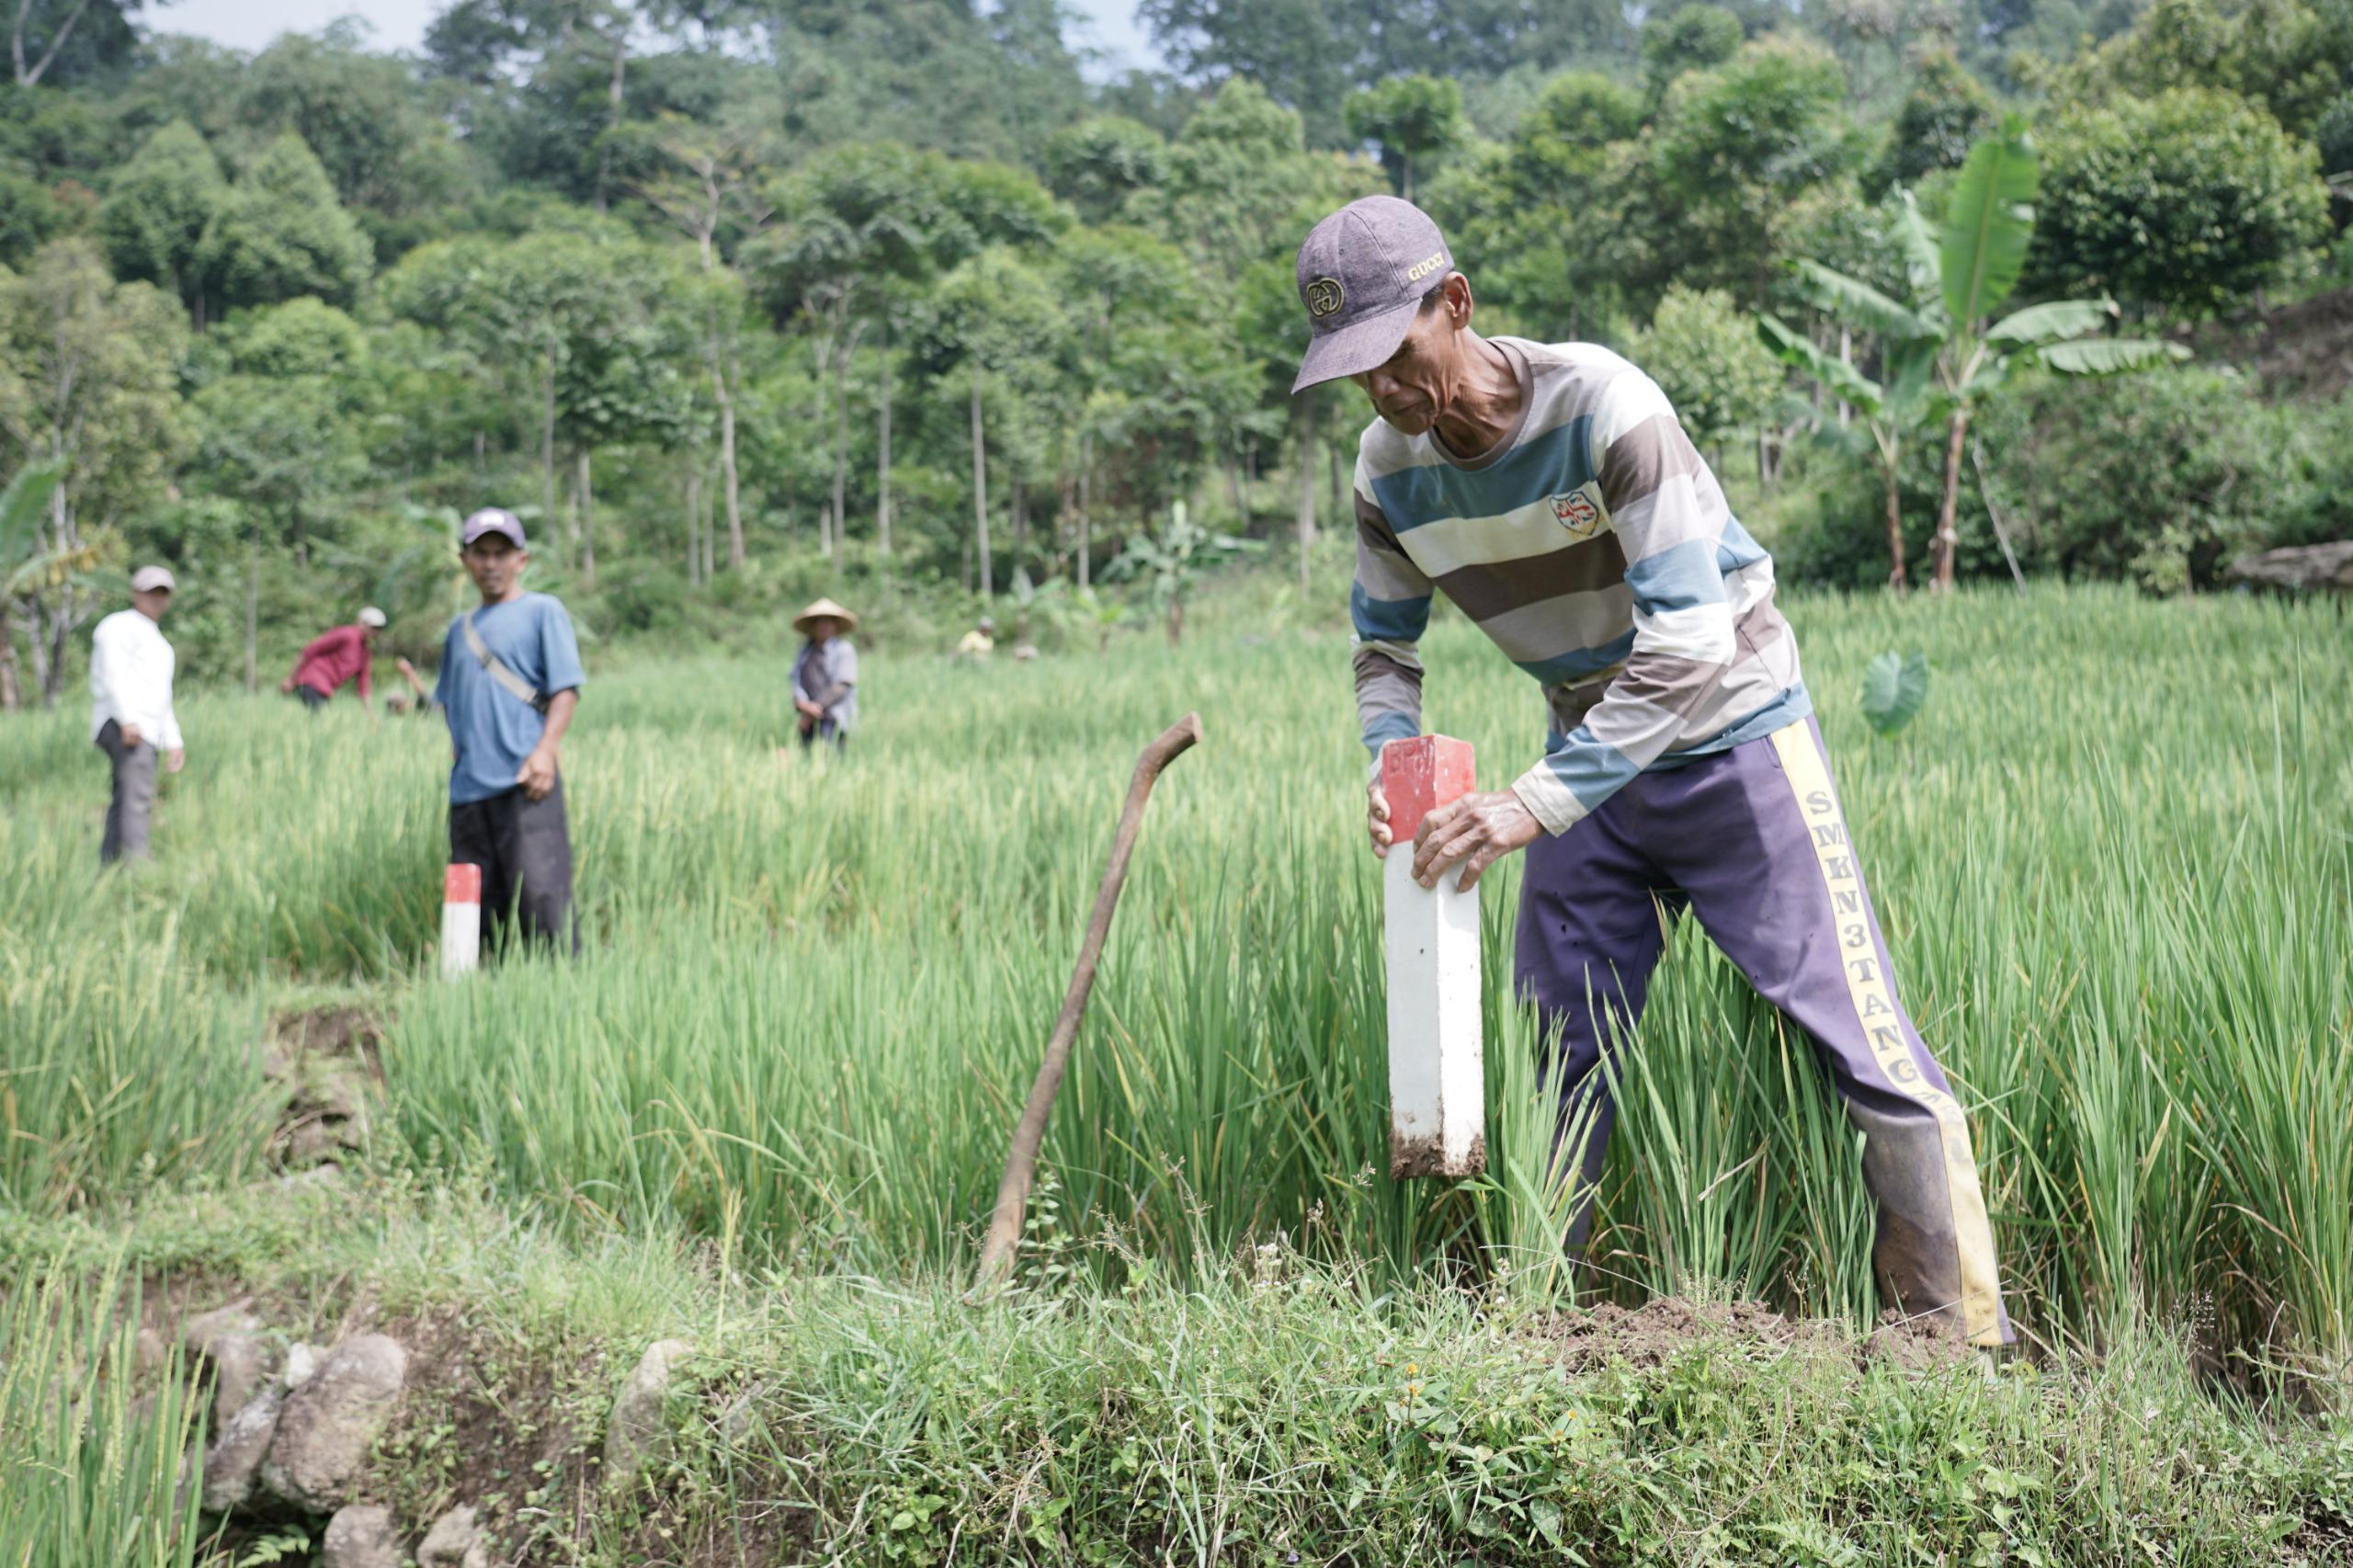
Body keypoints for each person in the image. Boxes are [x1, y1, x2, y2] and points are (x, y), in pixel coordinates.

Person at [1299, 195, 2013, 1351]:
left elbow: (1686, 644)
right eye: (1354, 370)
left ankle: (1960, 1344)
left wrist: (1529, 803)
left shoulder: (1605, 406)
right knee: (1552, 1058)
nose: (1381, 387)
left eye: (1395, 351)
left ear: (1457, 305)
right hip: (1588, 757)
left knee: (1860, 1037)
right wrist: (1392, 759)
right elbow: (1384, 648)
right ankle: (1543, 1340)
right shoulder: (1388, 475)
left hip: (1734, 736)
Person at [434, 508, 584, 955]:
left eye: (502, 553)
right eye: (481, 554)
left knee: (543, 902)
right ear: (465, 560)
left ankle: (559, 1000)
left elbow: (565, 690)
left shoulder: (543, 611)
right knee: (474, 913)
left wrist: (546, 752)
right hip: (468, 794)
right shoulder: (457, 631)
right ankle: (478, 1002)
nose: (491, 564)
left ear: (522, 559)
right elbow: (449, 702)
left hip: (526, 783)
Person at [88, 565, 186, 865]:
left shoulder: (159, 642)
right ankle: (139, 870)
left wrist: (173, 740)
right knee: (137, 798)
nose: (156, 598)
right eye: (150, 591)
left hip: (145, 727)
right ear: (135, 593)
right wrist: (127, 718)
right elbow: (112, 674)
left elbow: (161, 697)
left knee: (125, 797)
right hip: (126, 726)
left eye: (162, 592)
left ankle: (111, 865)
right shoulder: (118, 626)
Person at [280, 608, 387, 711]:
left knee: (322, 722)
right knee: (321, 719)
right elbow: (309, 651)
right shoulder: (346, 634)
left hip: (325, 690)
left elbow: (363, 685)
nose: (375, 631)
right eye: (372, 626)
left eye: (378, 628)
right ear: (360, 622)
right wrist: (290, 679)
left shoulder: (365, 652)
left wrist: (371, 715)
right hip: (311, 682)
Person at [790, 598, 858, 751]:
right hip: (807, 716)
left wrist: (815, 708)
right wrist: (802, 706)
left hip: (833, 715)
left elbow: (843, 685)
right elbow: (795, 681)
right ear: (814, 625)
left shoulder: (843, 650)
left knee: (832, 758)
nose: (824, 626)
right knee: (805, 757)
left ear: (835, 626)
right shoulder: (804, 652)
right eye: (820, 622)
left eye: (829, 622)